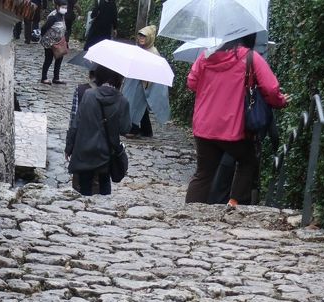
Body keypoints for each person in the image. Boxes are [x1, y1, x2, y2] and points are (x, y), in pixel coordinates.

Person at [185, 38, 290, 206]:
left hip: (204, 124)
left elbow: (191, 83)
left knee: (203, 173)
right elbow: (270, 89)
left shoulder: (205, 56)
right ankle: (234, 204)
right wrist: (281, 101)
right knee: (248, 161)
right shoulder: (251, 57)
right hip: (234, 127)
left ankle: (188, 213)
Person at [65, 64, 131, 196]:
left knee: (83, 189)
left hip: (84, 150)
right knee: (104, 185)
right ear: (119, 79)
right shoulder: (122, 101)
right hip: (106, 152)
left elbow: (75, 124)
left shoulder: (88, 95)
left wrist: (69, 147)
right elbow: (125, 129)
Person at [122, 25, 170, 138]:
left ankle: (134, 129)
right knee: (137, 106)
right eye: (140, 35)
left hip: (143, 84)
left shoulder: (153, 53)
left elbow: (153, 71)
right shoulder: (139, 49)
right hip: (135, 81)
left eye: (144, 36)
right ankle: (145, 130)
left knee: (136, 105)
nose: (141, 38)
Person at [39, 2, 68, 85]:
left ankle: (56, 78)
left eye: (66, 8)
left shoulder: (62, 16)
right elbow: (44, 28)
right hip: (50, 43)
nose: (64, 9)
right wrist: (48, 38)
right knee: (48, 59)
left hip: (59, 42)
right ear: (57, 6)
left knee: (59, 59)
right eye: (63, 7)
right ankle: (44, 78)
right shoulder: (53, 17)